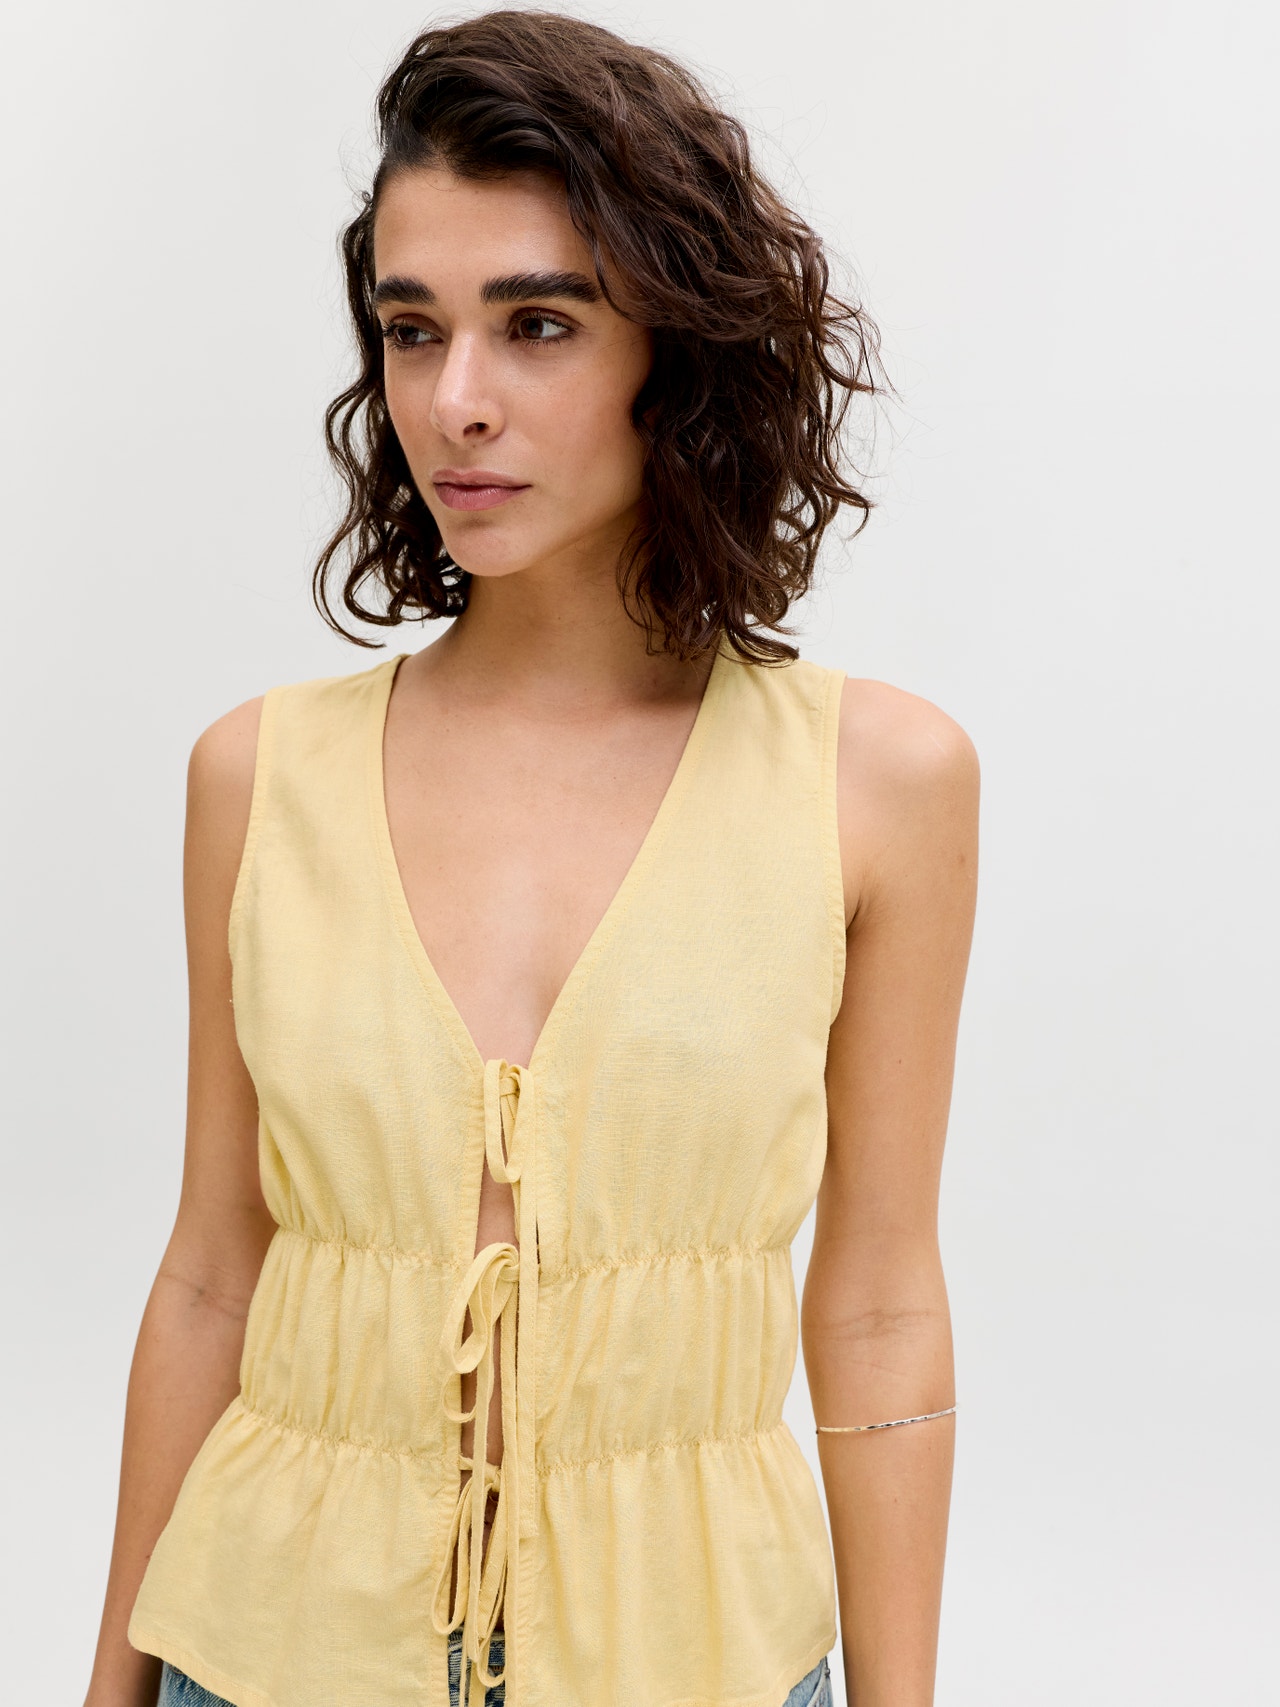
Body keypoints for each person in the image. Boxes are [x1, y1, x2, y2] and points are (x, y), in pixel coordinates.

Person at [84, 12, 978, 1707]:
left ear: (676, 353)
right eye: (411, 330)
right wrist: (107, 1686)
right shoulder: (259, 778)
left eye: (539, 324)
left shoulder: (876, 784)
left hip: (700, 1660)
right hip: (264, 1653)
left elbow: (876, 1306)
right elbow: (212, 1274)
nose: (457, 403)